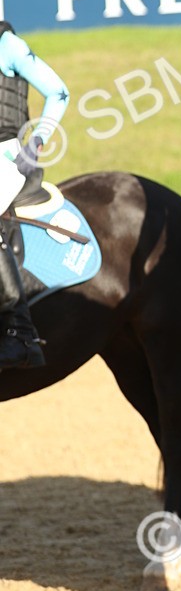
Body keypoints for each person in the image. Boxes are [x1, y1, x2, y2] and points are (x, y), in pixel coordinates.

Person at [0, 20, 70, 368]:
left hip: (10, 156)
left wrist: (36, 142)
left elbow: (58, 92)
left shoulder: (9, 45)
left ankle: (20, 332)